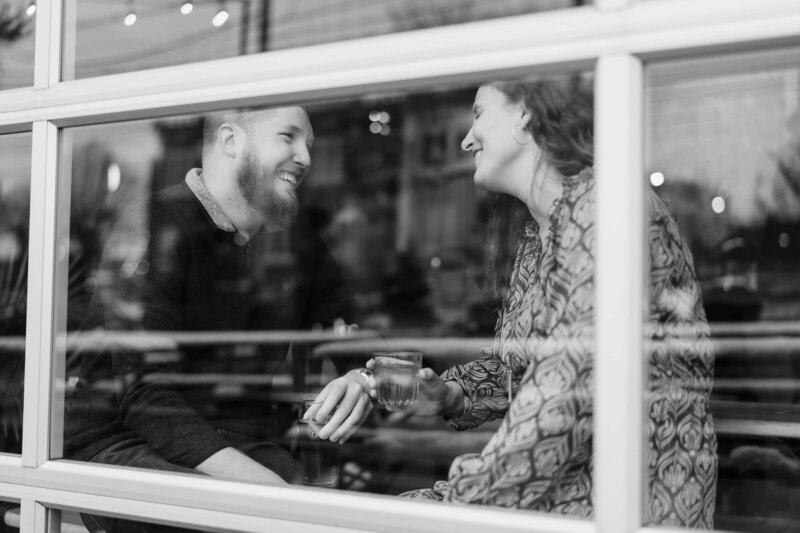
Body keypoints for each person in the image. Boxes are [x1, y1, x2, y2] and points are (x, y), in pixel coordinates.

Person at [307, 77, 717, 528]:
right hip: (560, 485)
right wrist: (449, 394)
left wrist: (460, 495)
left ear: (525, 113)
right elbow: (515, 368)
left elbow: (563, 392)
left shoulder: (602, 209)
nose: (466, 139)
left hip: (624, 494)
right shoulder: (539, 234)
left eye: (479, 114)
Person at [64, 106, 357, 517]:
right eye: (288, 137)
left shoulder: (297, 241)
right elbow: (144, 394)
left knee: (328, 509)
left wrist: (363, 376)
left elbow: (355, 334)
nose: (306, 157)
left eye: (308, 144)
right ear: (230, 140)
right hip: (122, 444)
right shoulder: (155, 224)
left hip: (242, 440)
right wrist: (270, 494)